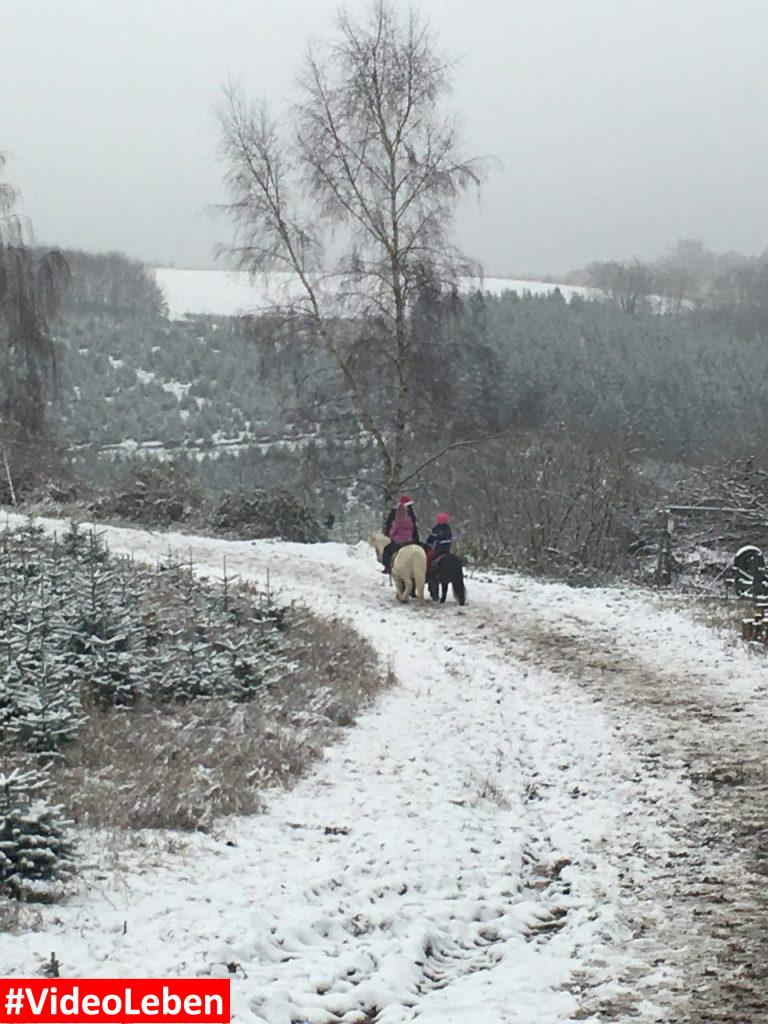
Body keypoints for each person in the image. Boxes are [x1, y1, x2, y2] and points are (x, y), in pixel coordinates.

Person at [382, 495, 419, 573]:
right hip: (410, 540)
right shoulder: (411, 515)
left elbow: (390, 527)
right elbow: (414, 528)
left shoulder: (395, 514)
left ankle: (387, 567)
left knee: (387, 550)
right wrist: (415, 539)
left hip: (398, 541)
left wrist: (390, 535)